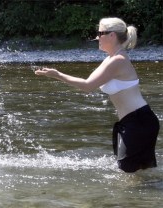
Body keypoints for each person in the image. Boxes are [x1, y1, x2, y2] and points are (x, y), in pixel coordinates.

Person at [35, 17, 160, 173]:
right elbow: (88, 81)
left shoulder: (118, 60)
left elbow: (88, 86)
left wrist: (57, 74)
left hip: (139, 122)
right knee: (135, 173)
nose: (97, 37)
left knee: (129, 172)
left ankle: (143, 196)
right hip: (133, 122)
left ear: (112, 35)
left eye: (100, 33)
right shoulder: (111, 58)